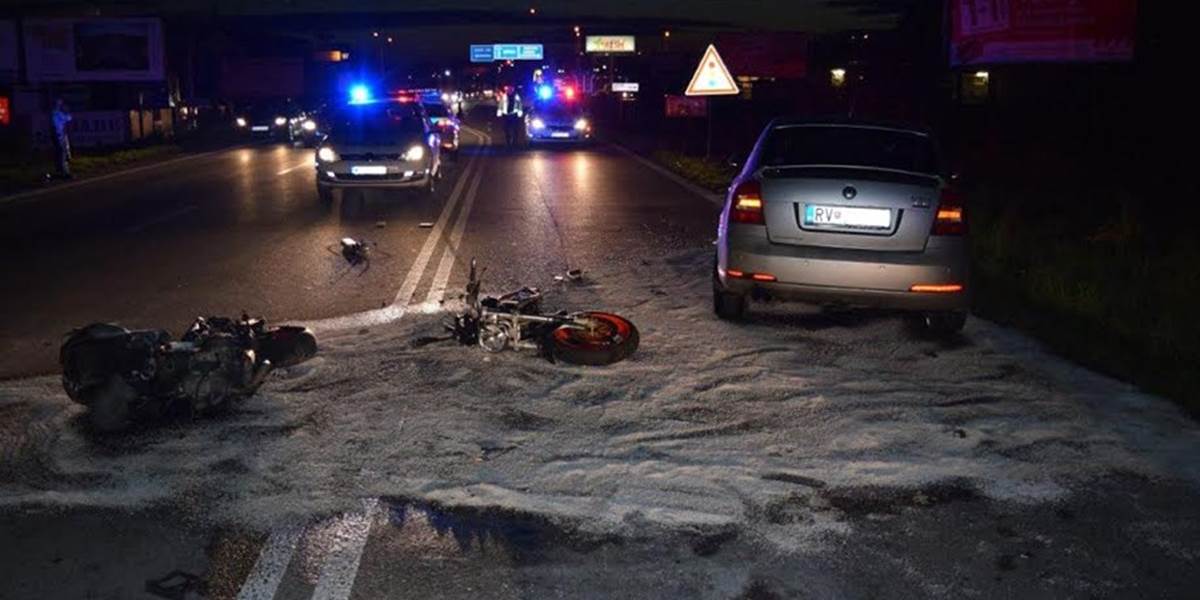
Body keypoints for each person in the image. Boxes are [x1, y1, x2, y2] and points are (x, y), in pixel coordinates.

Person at [50, 98, 73, 179]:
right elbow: (69, 118)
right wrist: (67, 111)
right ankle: (64, 173)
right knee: (62, 154)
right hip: (58, 135)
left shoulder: (55, 113)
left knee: (61, 154)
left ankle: (61, 171)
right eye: (59, 103)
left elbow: (68, 119)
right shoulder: (56, 113)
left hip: (59, 135)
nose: (60, 105)